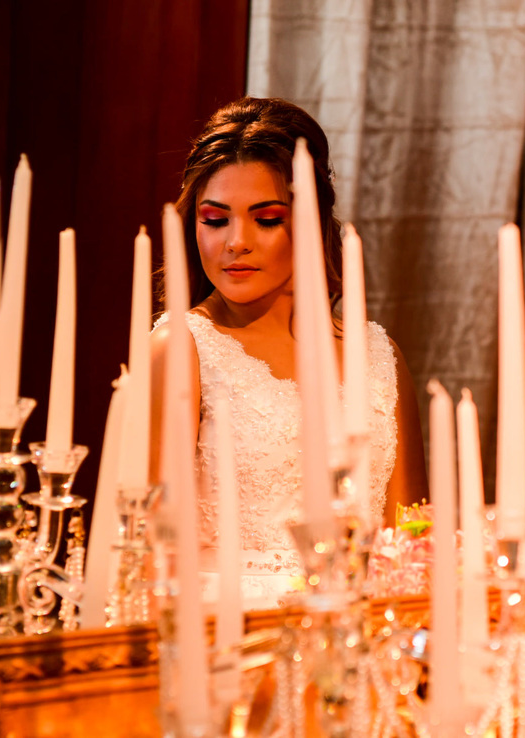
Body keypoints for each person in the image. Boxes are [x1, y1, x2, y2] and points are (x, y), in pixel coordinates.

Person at [151, 97, 427, 608]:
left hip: (355, 630)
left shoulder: (379, 358)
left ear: (312, 220)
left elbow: (411, 551)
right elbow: (147, 553)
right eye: (215, 219)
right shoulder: (181, 348)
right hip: (226, 632)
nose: (236, 242)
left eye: (266, 218)